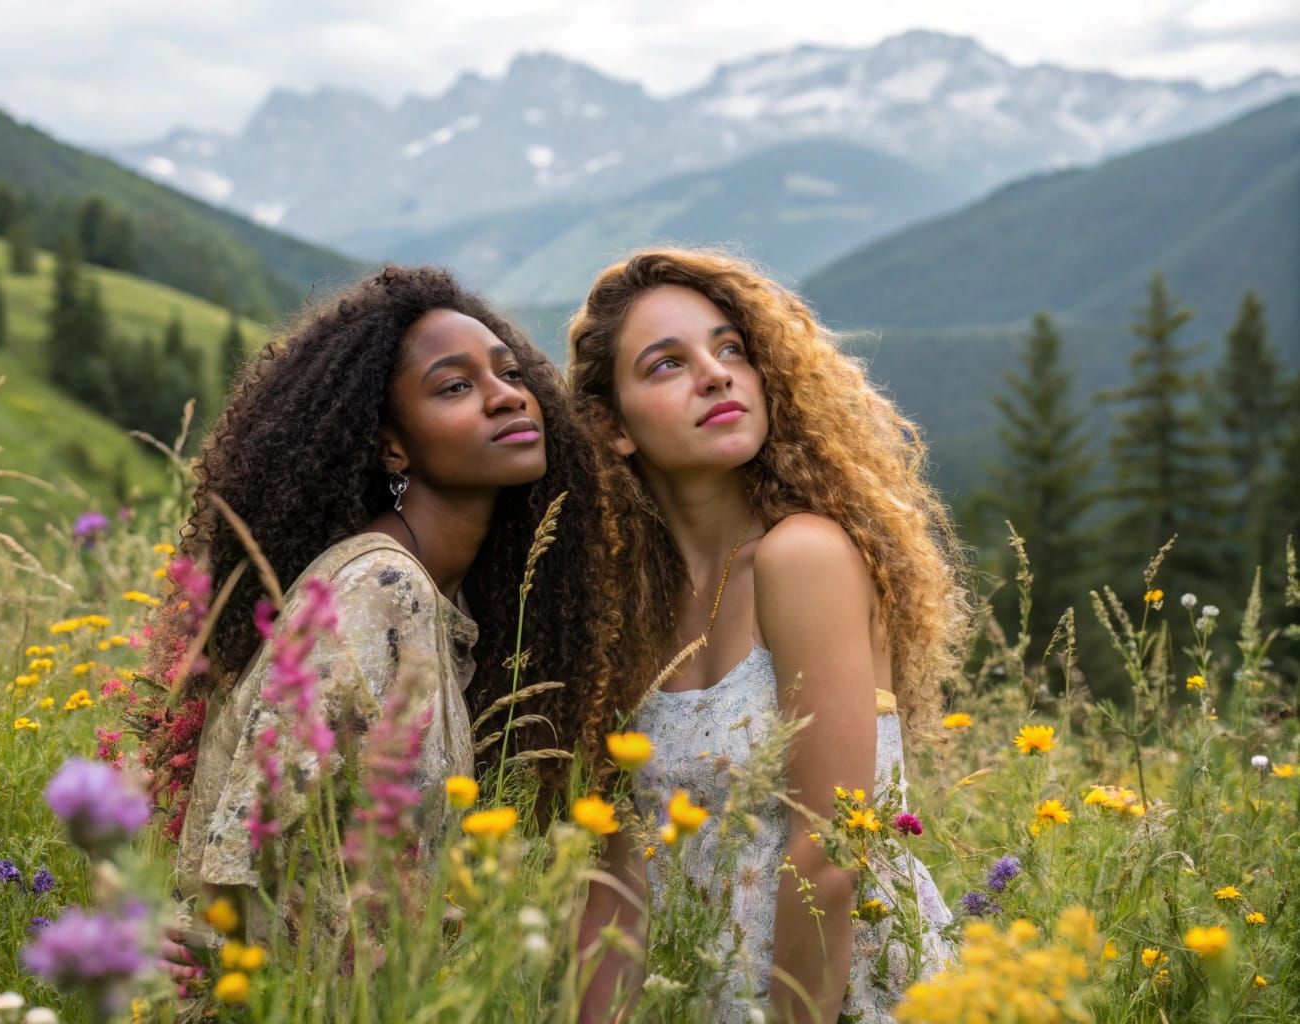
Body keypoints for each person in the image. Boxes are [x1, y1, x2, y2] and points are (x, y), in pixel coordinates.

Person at [145, 265, 620, 970]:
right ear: (392, 445)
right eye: (454, 386)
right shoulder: (378, 588)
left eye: (510, 373)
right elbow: (261, 857)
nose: (506, 397)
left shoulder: (440, 594)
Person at [569, 249, 970, 1023]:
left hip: (839, 993)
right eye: (666, 364)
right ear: (612, 426)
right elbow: (615, 884)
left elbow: (828, 853)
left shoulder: (803, 555)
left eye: (731, 349)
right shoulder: (630, 608)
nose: (715, 376)